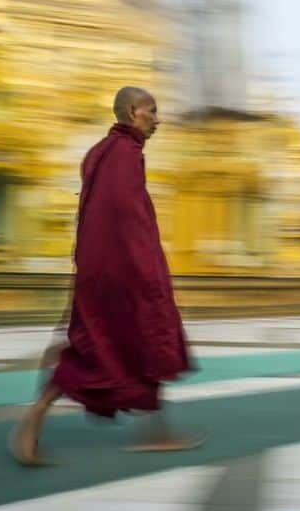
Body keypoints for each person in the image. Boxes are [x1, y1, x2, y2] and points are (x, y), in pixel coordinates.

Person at [11, 86, 203, 465]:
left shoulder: (106, 151)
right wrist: (149, 274)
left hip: (102, 270)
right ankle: (35, 419)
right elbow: (125, 217)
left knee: (115, 347)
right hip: (124, 273)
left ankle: (155, 431)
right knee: (132, 343)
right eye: (152, 111)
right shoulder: (123, 155)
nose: (157, 120)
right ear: (133, 112)